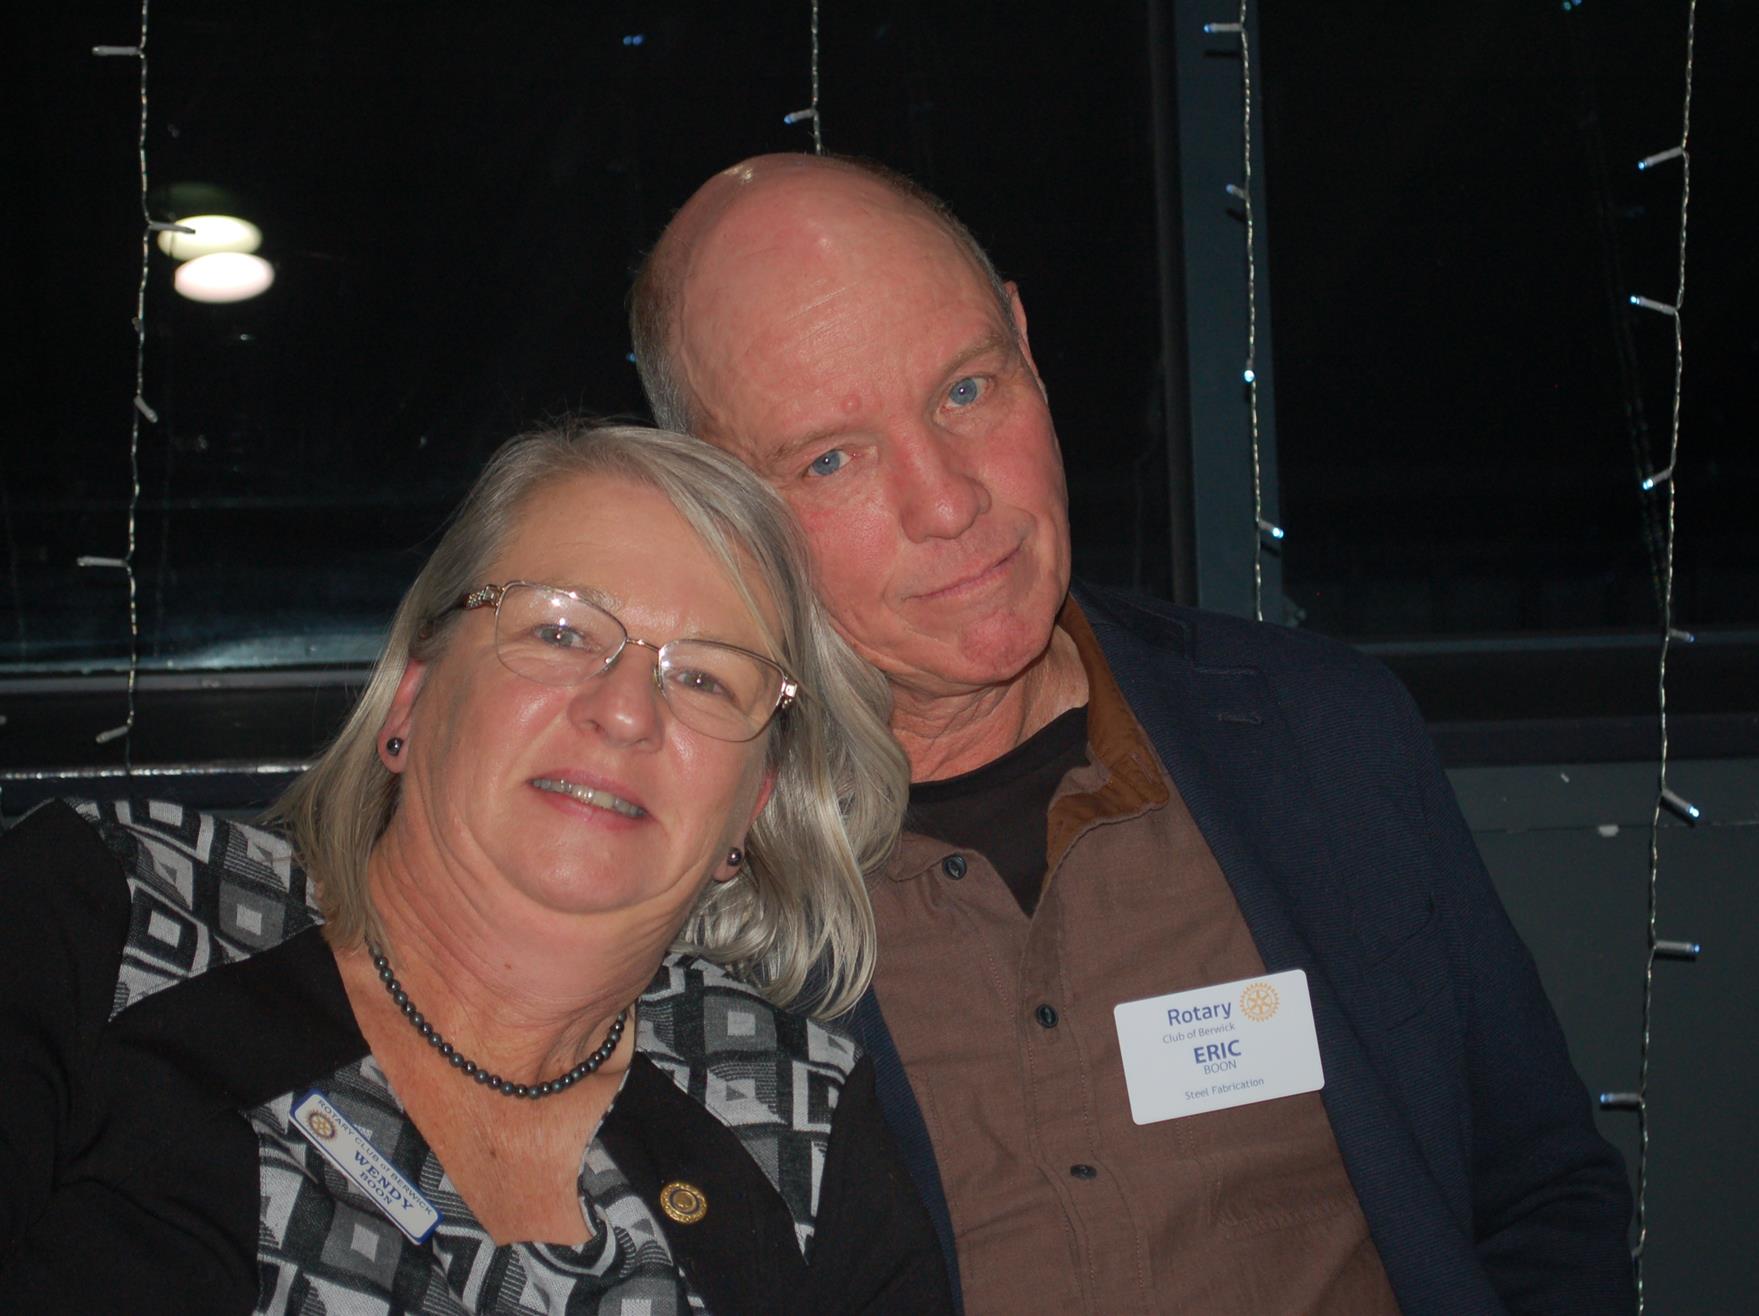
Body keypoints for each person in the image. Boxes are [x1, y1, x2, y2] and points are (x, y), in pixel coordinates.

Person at [629, 155, 1635, 1314]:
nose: (950, 501)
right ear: (716, 503)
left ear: (1027, 344)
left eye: (967, 389)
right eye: (832, 457)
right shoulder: (672, 874)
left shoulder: (1318, 737)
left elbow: (1540, 1194)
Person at [0, 422, 949, 1314]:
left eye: (705, 677)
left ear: (754, 805)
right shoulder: (114, 916)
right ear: (411, 698)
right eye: (560, 632)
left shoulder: (799, 1125)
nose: (626, 711)